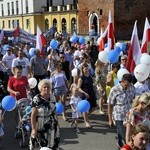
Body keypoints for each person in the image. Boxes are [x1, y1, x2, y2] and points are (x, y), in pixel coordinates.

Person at [30, 79, 60, 149]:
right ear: (41, 88)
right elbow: (33, 115)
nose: (46, 89)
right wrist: (34, 129)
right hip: (41, 126)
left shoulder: (52, 97)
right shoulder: (36, 99)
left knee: (52, 144)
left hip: (52, 125)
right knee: (40, 145)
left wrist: (57, 122)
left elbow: (54, 111)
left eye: (48, 87)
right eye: (44, 87)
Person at [108, 73, 135, 149]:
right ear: (122, 81)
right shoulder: (114, 89)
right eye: (126, 85)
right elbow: (110, 105)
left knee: (122, 137)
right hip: (119, 116)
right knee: (125, 137)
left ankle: (120, 146)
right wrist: (110, 119)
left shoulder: (132, 87)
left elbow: (134, 100)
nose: (127, 87)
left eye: (129, 85)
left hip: (129, 116)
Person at [78, 63, 97, 128]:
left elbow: (94, 83)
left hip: (91, 92)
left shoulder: (90, 76)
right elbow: (78, 88)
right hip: (85, 94)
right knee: (85, 108)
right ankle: (86, 122)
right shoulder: (81, 78)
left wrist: (96, 83)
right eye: (85, 69)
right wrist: (84, 93)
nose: (86, 70)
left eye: (87, 69)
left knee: (94, 107)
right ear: (82, 70)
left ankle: (85, 115)